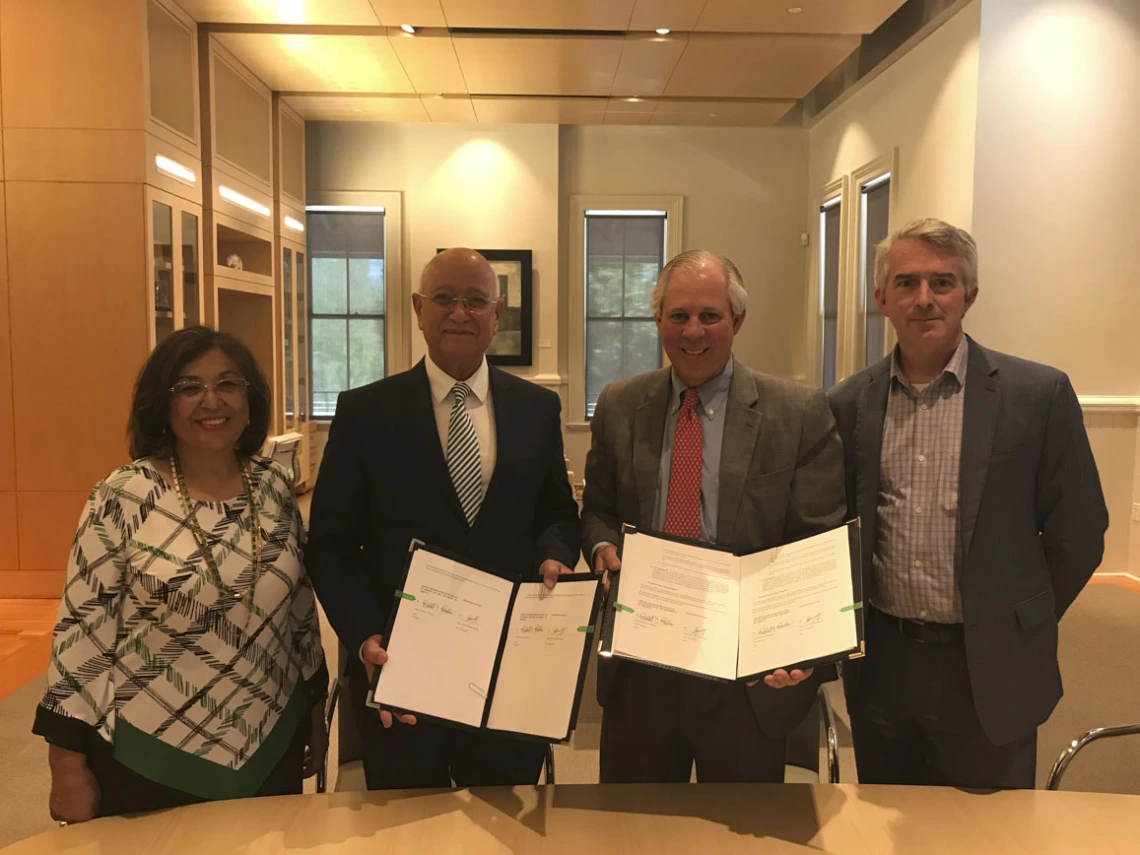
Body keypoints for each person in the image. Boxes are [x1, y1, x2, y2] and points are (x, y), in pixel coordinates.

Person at [827, 218, 1107, 789]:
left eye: (943, 282)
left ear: (969, 296)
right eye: (906, 283)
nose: (924, 299)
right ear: (882, 298)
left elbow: (1078, 533)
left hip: (989, 664)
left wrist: (1017, 617)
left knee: (990, 832)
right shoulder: (849, 403)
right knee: (888, 820)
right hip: (884, 663)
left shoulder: (1038, 395)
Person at [307, 247, 580, 790]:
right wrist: (365, 636)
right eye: (445, 299)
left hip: (507, 672)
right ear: (418, 307)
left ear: (498, 314)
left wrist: (555, 552)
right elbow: (331, 546)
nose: (460, 313)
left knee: (502, 827)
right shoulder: (365, 412)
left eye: (476, 301)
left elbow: (557, 512)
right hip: (404, 671)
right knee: (410, 833)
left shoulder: (536, 409)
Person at [34, 326, 328, 822]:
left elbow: (298, 613)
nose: (211, 401)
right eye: (189, 387)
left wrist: (316, 711)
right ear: (161, 405)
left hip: (269, 743)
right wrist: (66, 766)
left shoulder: (273, 485)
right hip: (151, 752)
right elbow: (82, 636)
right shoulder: (122, 496)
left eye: (228, 384)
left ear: (250, 397)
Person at [581, 250, 848, 783]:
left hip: (743, 677)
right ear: (658, 320)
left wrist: (796, 644)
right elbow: (599, 509)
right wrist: (601, 546)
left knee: (741, 830)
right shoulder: (617, 404)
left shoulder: (797, 412)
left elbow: (817, 540)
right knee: (635, 831)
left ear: (737, 320)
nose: (694, 331)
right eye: (678, 316)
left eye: (710, 315)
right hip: (642, 668)